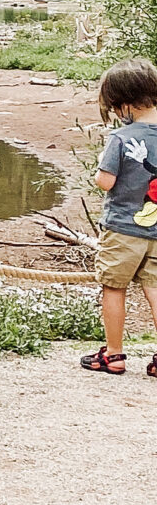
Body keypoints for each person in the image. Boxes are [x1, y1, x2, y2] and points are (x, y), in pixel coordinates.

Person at [83, 58, 157, 374]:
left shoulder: (121, 138)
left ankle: (113, 355)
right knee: (155, 288)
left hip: (123, 227)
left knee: (114, 287)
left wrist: (103, 163)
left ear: (124, 104)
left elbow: (105, 181)